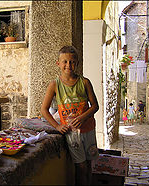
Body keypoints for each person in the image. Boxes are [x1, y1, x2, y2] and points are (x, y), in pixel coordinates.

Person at [41, 46, 99, 185]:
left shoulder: (84, 82)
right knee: (80, 166)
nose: (69, 65)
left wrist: (83, 117)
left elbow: (95, 106)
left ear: (77, 63)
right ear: (58, 63)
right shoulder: (54, 85)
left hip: (88, 129)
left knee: (90, 164)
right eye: (65, 62)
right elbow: (44, 110)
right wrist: (57, 126)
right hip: (71, 134)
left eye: (72, 62)